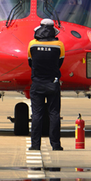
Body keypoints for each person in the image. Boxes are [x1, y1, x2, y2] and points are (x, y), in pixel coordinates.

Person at [28, 18, 65, 151]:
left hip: (37, 83)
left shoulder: (32, 44)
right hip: (53, 83)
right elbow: (60, 63)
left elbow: (30, 63)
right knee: (54, 114)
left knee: (37, 115)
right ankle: (55, 145)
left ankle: (35, 145)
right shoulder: (59, 45)